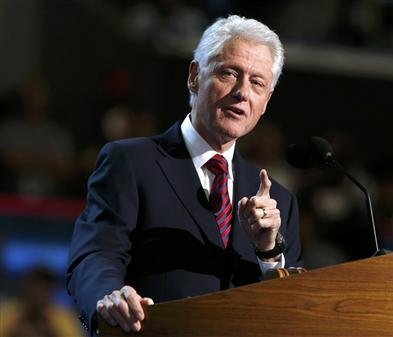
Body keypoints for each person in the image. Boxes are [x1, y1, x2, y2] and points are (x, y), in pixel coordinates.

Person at [66, 15, 302, 336]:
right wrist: (108, 297)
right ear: (194, 76)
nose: (242, 92)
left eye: (257, 82)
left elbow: (292, 311)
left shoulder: (279, 203)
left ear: (266, 101)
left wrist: (269, 253)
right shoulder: (132, 161)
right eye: (229, 73)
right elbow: (96, 254)